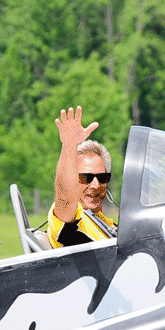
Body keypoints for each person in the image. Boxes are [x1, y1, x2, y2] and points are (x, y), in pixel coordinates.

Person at [47, 106, 118, 248]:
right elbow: (65, 197)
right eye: (86, 178)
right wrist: (69, 145)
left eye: (102, 178)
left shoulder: (105, 222)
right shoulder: (71, 217)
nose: (96, 185)